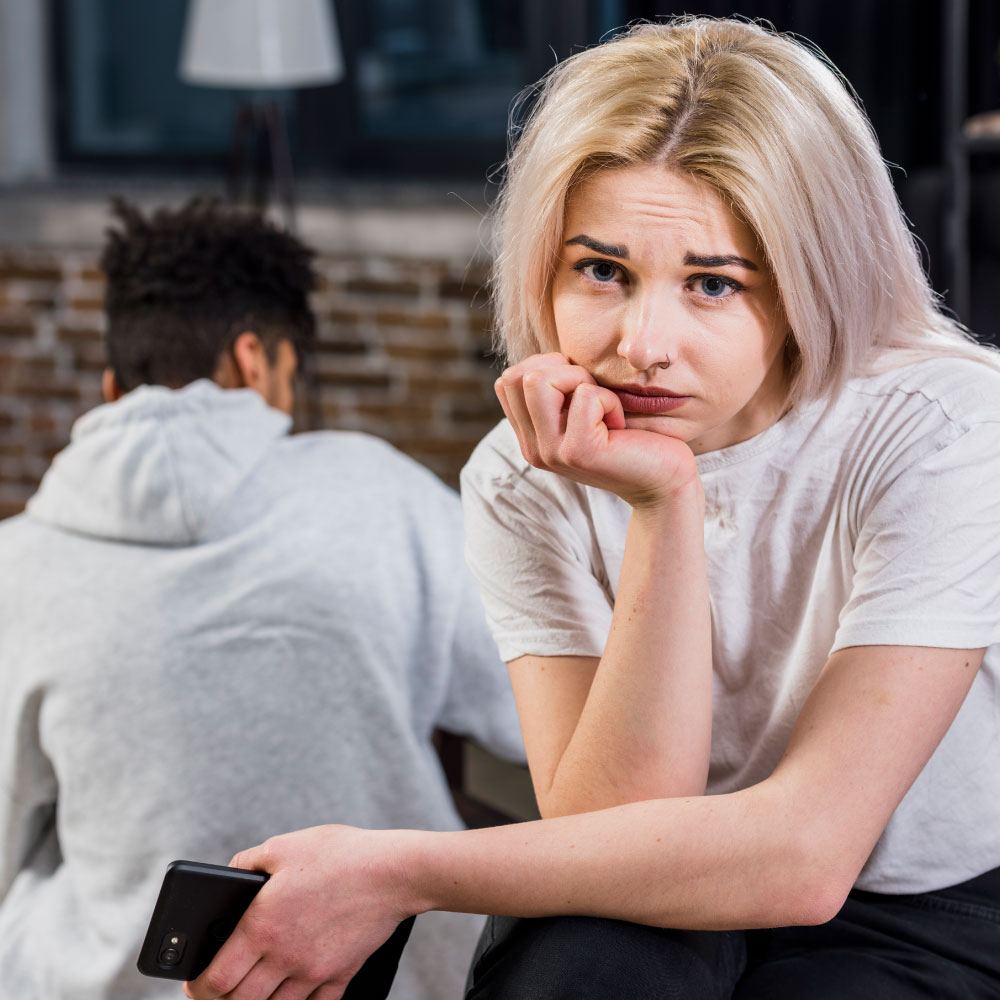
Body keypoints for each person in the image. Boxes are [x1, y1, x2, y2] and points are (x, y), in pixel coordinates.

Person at [185, 17, 1000, 1000]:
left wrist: (398, 871)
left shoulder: (946, 427)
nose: (642, 343)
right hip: (638, 884)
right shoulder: (518, 476)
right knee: (583, 972)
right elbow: (613, 821)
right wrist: (663, 504)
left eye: (711, 284)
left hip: (912, 905)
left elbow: (807, 855)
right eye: (602, 270)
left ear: (805, 284)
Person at [0, 198, 525, 1000]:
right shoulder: (379, 490)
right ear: (255, 361)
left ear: (113, 389)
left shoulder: (17, 562)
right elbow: (535, 721)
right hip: (384, 977)